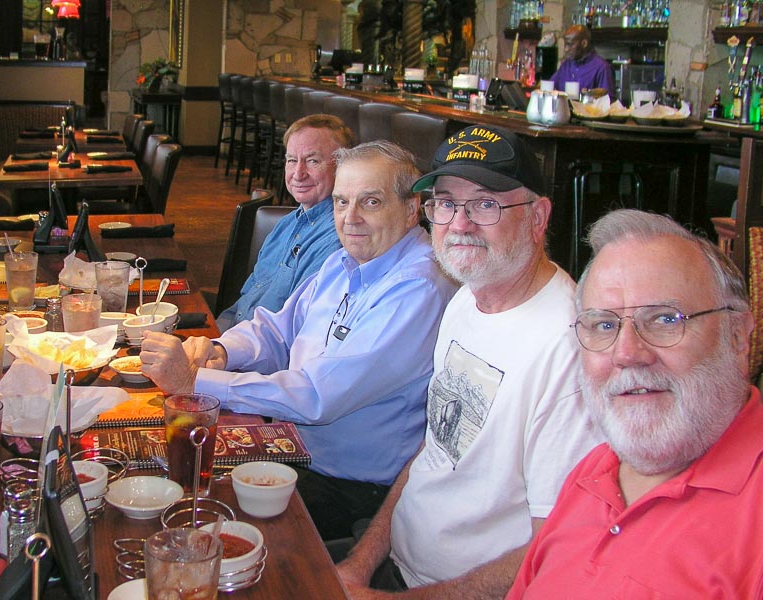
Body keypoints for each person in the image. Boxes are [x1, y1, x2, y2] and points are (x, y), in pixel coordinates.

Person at [141, 141, 458, 539]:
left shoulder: (418, 288)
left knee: (196, 530)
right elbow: (277, 329)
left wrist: (195, 384)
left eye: (371, 202)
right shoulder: (346, 260)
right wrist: (221, 351)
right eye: (341, 202)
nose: (350, 218)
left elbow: (316, 396)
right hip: (294, 450)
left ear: (412, 209)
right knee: (162, 482)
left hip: (353, 489)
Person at [336, 125, 601, 598]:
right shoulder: (466, 298)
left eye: (485, 204)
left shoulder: (568, 349)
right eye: (445, 203)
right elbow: (434, 451)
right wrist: (359, 564)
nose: (459, 224)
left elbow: (554, 548)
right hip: (395, 565)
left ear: (539, 217)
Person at [507, 209, 761, 598]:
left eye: (664, 319)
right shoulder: (597, 470)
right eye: (604, 325)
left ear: (738, 337)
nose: (627, 353)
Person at [215, 114, 353, 331]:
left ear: (343, 167)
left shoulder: (340, 239)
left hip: (259, 358)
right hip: (231, 337)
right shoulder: (285, 224)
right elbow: (244, 301)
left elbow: (294, 331)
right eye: (291, 160)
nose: (298, 173)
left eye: (312, 161)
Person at [550, 25, 614, 97]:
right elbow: (550, 88)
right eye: (565, 45)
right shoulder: (566, 65)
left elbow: (607, 102)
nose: (566, 49)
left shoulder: (601, 67)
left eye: (569, 44)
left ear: (584, 43)